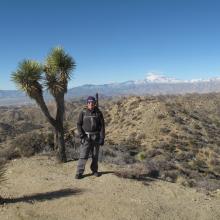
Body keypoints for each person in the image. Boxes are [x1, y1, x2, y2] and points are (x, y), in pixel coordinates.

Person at [75, 96, 105, 179]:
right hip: (86, 137)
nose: (90, 104)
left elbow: (102, 126)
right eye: (89, 102)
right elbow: (78, 124)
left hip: (96, 137)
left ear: (95, 103)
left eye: (92, 102)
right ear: (87, 103)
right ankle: (79, 172)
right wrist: (82, 135)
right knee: (83, 155)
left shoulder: (98, 113)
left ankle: (94, 170)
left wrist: (102, 137)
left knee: (95, 155)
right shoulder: (83, 112)